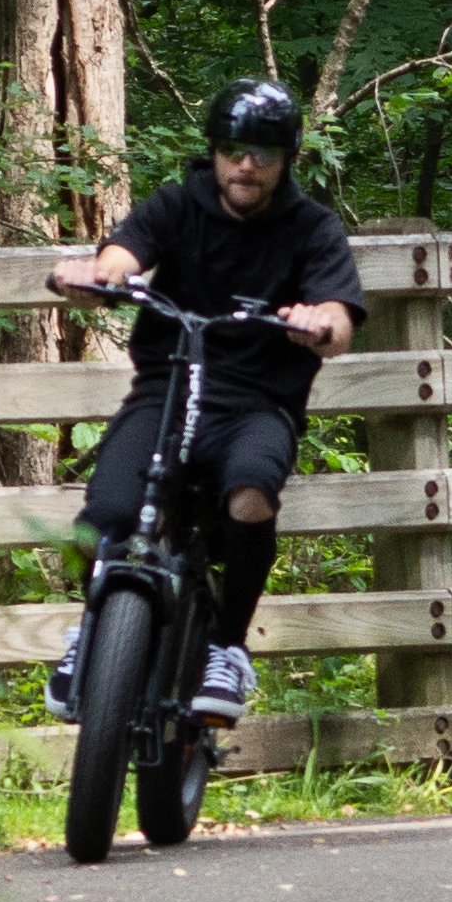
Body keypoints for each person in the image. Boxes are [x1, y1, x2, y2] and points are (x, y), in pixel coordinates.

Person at [43, 79, 367, 724]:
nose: (246, 164)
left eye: (264, 153)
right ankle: (92, 633)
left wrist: (319, 323)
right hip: (165, 391)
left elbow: (339, 314)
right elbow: (123, 253)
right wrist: (95, 275)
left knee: (250, 494)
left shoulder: (312, 227)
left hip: (256, 403)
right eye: (233, 149)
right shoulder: (178, 204)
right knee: (100, 515)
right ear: (215, 151)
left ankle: (227, 648)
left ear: (287, 157)